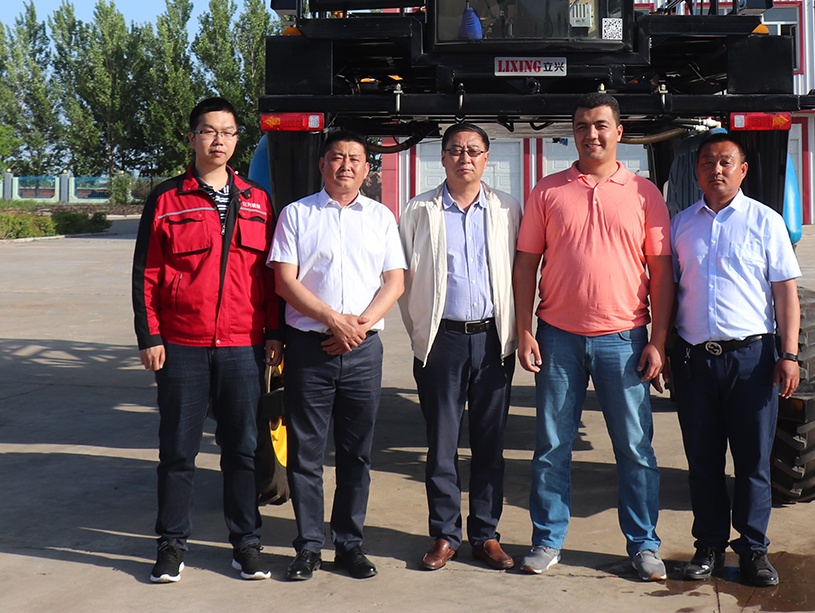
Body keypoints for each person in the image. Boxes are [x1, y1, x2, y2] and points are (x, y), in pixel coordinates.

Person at [513, 92, 673, 580]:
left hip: (624, 340)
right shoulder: (548, 191)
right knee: (551, 448)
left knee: (635, 449)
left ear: (619, 132)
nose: (592, 134)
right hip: (557, 338)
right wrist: (524, 329)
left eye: (601, 125)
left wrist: (658, 340)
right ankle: (547, 541)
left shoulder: (644, 193)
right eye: (582, 125)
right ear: (573, 132)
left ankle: (644, 545)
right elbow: (526, 264)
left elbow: (661, 271)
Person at [132, 96, 281, 584]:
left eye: (228, 132)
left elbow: (269, 277)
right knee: (178, 450)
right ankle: (171, 544)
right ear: (193, 137)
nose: (219, 140)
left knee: (243, 449)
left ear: (238, 140)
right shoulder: (167, 198)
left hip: (242, 345)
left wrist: (274, 332)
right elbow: (147, 272)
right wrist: (150, 335)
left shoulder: (257, 200)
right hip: (182, 345)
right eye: (209, 131)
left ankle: (246, 544)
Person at [268, 130, 406, 582]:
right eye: (337, 157)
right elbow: (285, 281)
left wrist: (358, 327)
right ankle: (309, 546)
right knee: (306, 454)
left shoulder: (381, 217)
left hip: (363, 350)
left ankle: (349, 544)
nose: (345, 165)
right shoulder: (296, 214)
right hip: (310, 349)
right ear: (322, 164)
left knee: (356, 454)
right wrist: (333, 320)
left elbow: (395, 282)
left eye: (355, 159)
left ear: (367, 169)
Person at [668, 132, 801, 587]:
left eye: (726, 162)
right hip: (695, 361)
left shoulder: (766, 222)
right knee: (702, 460)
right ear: (697, 171)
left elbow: (785, 293)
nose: (717, 170)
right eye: (708, 162)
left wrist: (789, 354)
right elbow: (669, 291)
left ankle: (753, 551)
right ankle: (707, 546)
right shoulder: (680, 224)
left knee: (753, 461)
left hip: (752, 360)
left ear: (743, 170)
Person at [398, 123, 522, 572]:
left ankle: (486, 534)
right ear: (443, 157)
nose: (464, 158)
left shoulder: (507, 208)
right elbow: (403, 278)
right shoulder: (419, 209)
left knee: (490, 444)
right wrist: (421, 334)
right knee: (441, 444)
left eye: (473, 150)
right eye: (455, 150)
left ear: (486, 158)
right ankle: (445, 534)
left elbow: (521, 271)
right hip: (441, 341)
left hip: (492, 341)